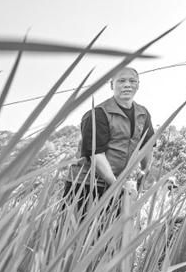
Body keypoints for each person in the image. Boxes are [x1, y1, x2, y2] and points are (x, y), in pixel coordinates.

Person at [65, 67, 155, 218]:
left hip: (119, 184)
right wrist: (116, 186)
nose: (127, 85)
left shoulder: (143, 114)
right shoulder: (98, 114)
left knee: (111, 230)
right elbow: (97, 156)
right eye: (121, 81)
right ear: (112, 85)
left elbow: (148, 145)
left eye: (132, 81)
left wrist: (144, 171)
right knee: (77, 229)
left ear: (138, 85)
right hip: (86, 184)